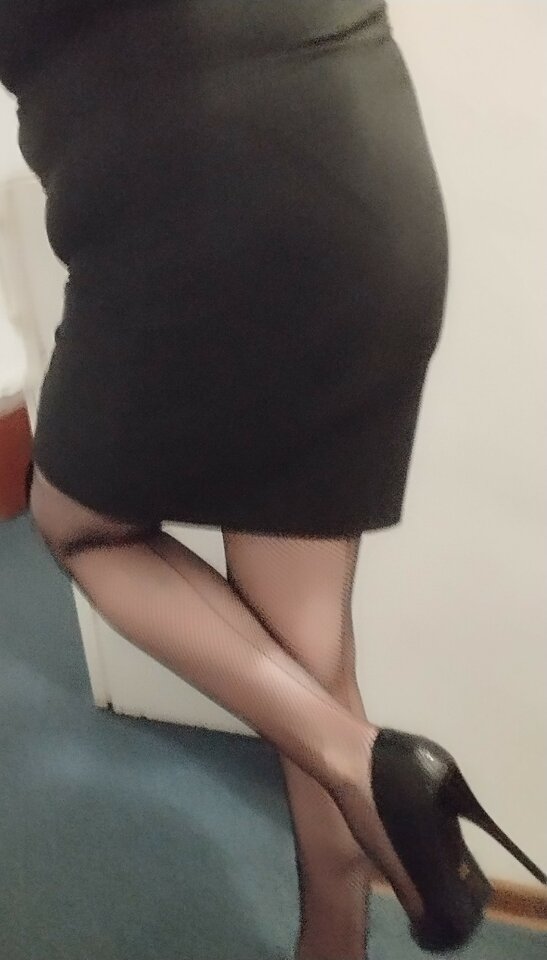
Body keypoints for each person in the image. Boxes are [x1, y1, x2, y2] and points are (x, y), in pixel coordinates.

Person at [2, 2, 545, 957]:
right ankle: (334, 928)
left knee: (77, 526)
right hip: (359, 165)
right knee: (301, 643)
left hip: (183, 202)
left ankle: (363, 765)